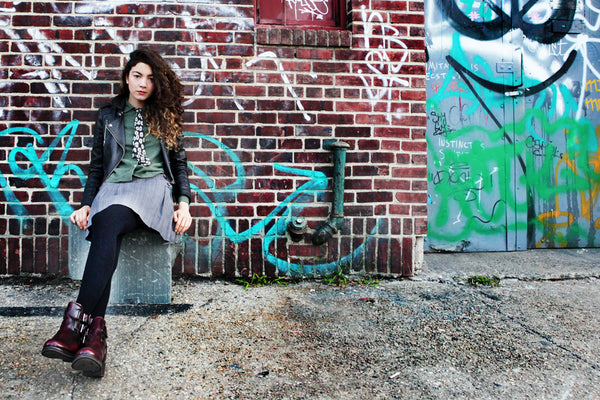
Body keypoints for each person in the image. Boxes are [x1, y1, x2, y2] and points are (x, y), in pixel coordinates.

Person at [41, 48, 192, 378]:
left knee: (107, 223)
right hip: (114, 186)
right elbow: (96, 168)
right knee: (105, 228)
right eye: (137, 75)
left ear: (158, 84)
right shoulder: (108, 115)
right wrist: (85, 204)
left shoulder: (165, 115)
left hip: (151, 188)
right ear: (127, 77)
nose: (143, 83)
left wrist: (184, 203)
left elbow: (179, 165)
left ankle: (72, 329)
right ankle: (94, 340)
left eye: (151, 78)